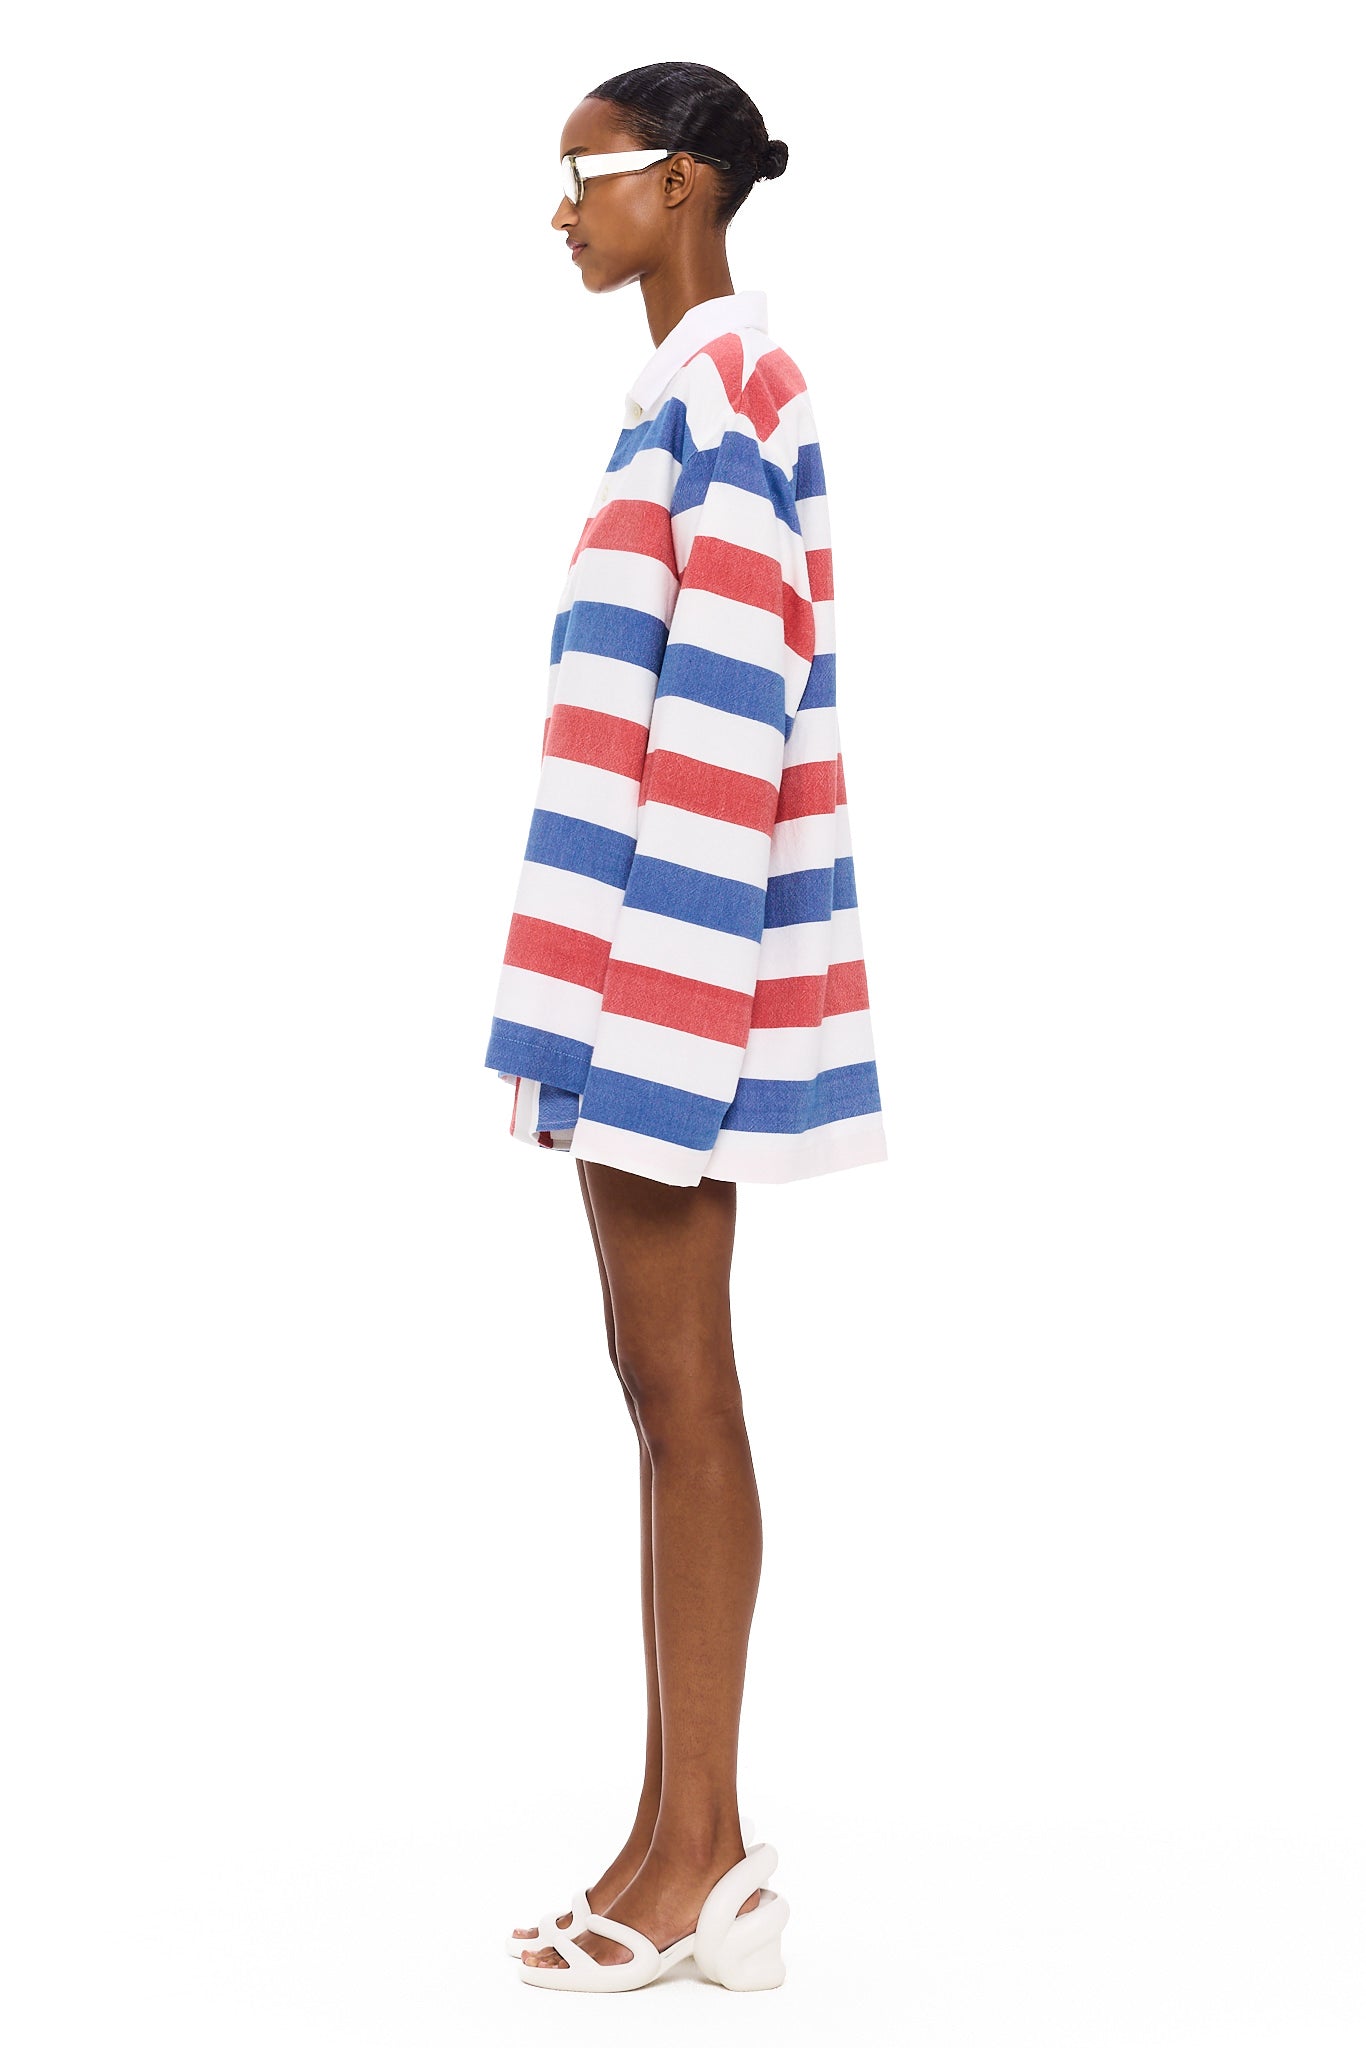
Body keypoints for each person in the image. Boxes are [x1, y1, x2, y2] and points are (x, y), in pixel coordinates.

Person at [483, 60, 887, 1992]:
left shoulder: (726, 397)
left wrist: (653, 1018)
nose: (563, 207)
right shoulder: (678, 400)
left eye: (594, 172)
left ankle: (704, 1857)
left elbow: (725, 731)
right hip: (625, 979)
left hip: (663, 982)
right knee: (660, 1392)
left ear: (691, 184)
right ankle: (673, 1845)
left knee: (683, 1391)